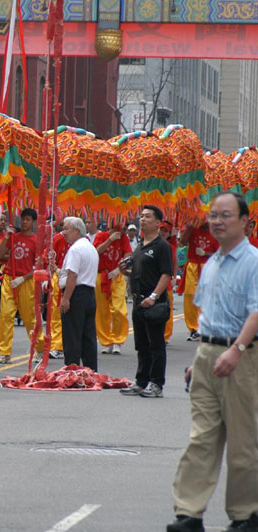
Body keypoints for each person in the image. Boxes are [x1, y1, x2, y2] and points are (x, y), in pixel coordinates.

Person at [167, 192, 258, 532]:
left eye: (225, 215)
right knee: (201, 438)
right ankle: (189, 514)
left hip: (242, 355)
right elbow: (208, 316)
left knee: (242, 440)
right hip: (207, 355)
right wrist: (199, 360)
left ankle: (246, 514)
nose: (217, 221)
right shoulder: (212, 263)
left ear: (245, 221)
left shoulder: (253, 262)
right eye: (213, 215)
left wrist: (236, 350)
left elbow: (256, 312)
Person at [118, 205, 173, 399]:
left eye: (148, 216)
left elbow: (166, 274)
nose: (142, 219)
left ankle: (156, 384)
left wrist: (154, 296)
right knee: (141, 345)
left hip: (153, 303)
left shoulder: (162, 246)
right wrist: (126, 272)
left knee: (156, 346)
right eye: (141, 216)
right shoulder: (140, 245)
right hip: (138, 302)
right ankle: (141, 382)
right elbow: (140, 272)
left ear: (157, 223)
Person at [0, 208, 44, 364]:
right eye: (23, 219)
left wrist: (23, 278)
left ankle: (39, 349)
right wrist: (7, 237)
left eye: (28, 219)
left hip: (26, 282)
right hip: (10, 279)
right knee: (6, 315)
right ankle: (4, 352)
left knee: (30, 318)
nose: (24, 222)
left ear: (33, 222)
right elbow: (0, 255)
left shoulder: (36, 241)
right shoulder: (13, 237)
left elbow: (39, 266)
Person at [57, 217, 99, 371]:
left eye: (66, 229)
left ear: (76, 230)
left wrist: (66, 298)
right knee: (88, 336)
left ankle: (72, 370)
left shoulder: (75, 249)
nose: (64, 233)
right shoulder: (90, 247)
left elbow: (73, 275)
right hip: (89, 294)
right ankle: (91, 371)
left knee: (72, 335)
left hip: (76, 294)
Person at [93, 224, 132, 355]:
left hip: (117, 276)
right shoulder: (100, 236)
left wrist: (121, 266)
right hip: (101, 276)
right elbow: (96, 251)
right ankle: (106, 341)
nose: (123, 231)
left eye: (125, 229)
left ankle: (117, 340)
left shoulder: (124, 238)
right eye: (122, 228)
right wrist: (110, 240)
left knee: (119, 309)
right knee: (102, 311)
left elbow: (128, 254)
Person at [179, 221, 218, 341]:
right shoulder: (193, 229)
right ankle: (194, 328)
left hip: (208, 266)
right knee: (190, 295)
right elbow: (182, 241)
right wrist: (190, 226)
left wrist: (205, 253)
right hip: (193, 265)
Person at [47, 228, 68, 359]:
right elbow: (49, 260)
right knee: (56, 313)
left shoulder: (82, 241)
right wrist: (48, 277)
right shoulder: (57, 239)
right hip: (59, 279)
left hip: (75, 279)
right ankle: (57, 346)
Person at [161, 221, 179, 343]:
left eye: (165, 231)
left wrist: (174, 277)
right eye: (161, 229)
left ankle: (165, 335)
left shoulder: (172, 246)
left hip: (167, 283)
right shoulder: (152, 243)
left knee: (167, 309)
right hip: (153, 282)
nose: (162, 232)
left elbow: (175, 262)